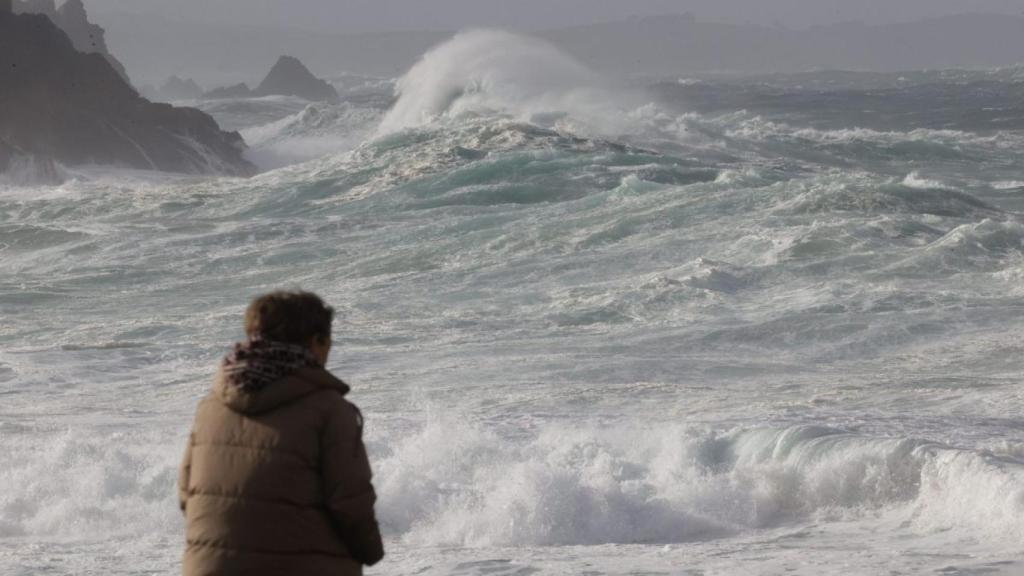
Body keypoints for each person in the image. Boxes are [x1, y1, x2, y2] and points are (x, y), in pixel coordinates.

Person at [178, 290, 384, 576]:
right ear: (316, 342)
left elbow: (187, 494)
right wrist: (371, 552)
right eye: (328, 342)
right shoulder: (329, 410)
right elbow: (350, 504)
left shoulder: (211, 406)